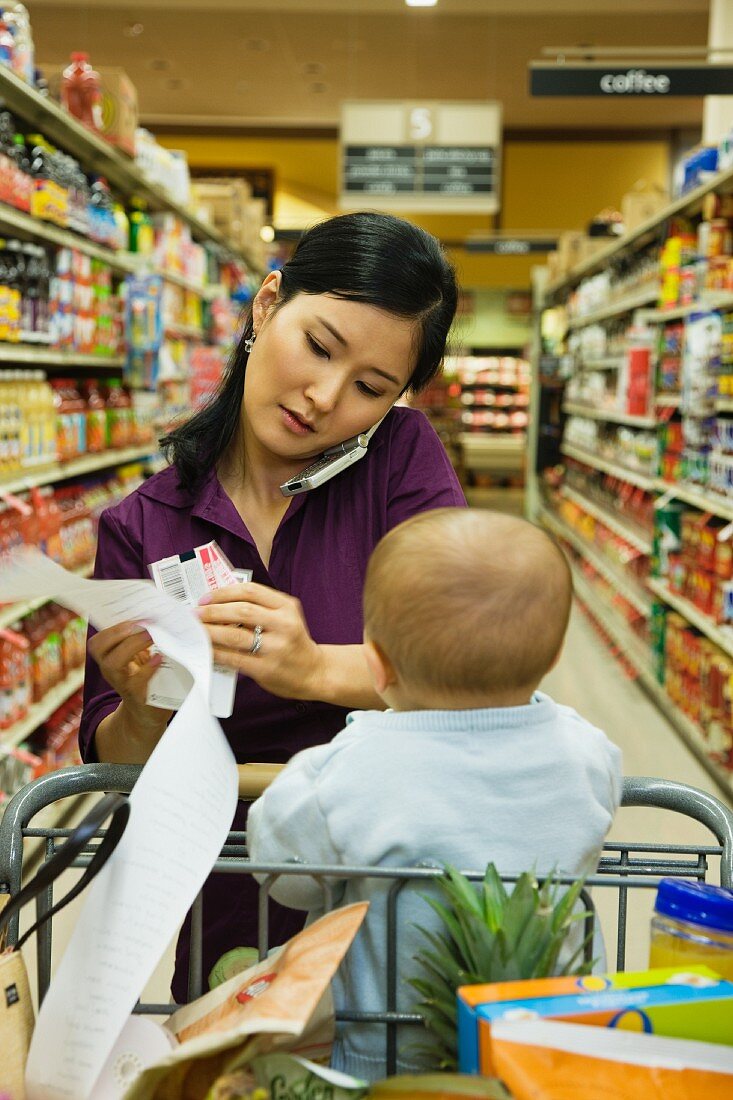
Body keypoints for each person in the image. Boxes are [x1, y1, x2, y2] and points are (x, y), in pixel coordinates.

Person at [79, 212, 466, 1002]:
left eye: (370, 387)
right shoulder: (144, 524)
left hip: (392, 880)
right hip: (229, 888)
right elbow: (111, 750)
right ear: (265, 306)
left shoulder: (401, 463)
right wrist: (146, 703)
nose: (324, 399)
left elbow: (461, 663)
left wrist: (317, 667)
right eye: (319, 346)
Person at [247, 508, 623, 1081]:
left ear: (375, 663)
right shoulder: (586, 751)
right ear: (551, 659)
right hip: (550, 1042)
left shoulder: (351, 768)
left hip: (389, 1054)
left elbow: (282, 874)